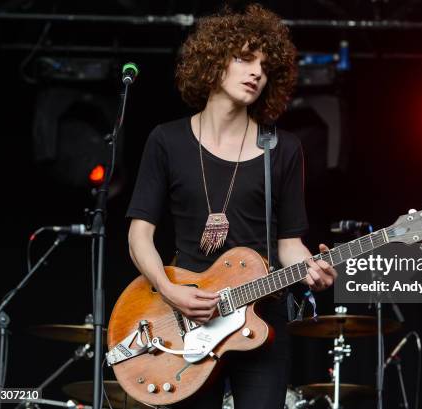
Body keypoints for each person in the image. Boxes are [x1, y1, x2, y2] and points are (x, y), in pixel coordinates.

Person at [126, 4, 337, 408]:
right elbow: (139, 234)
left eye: (264, 64)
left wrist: (312, 268)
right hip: (186, 316)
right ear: (213, 60)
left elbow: (289, 242)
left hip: (260, 320)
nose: (256, 71)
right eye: (244, 58)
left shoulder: (284, 149)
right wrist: (170, 291)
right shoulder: (166, 141)